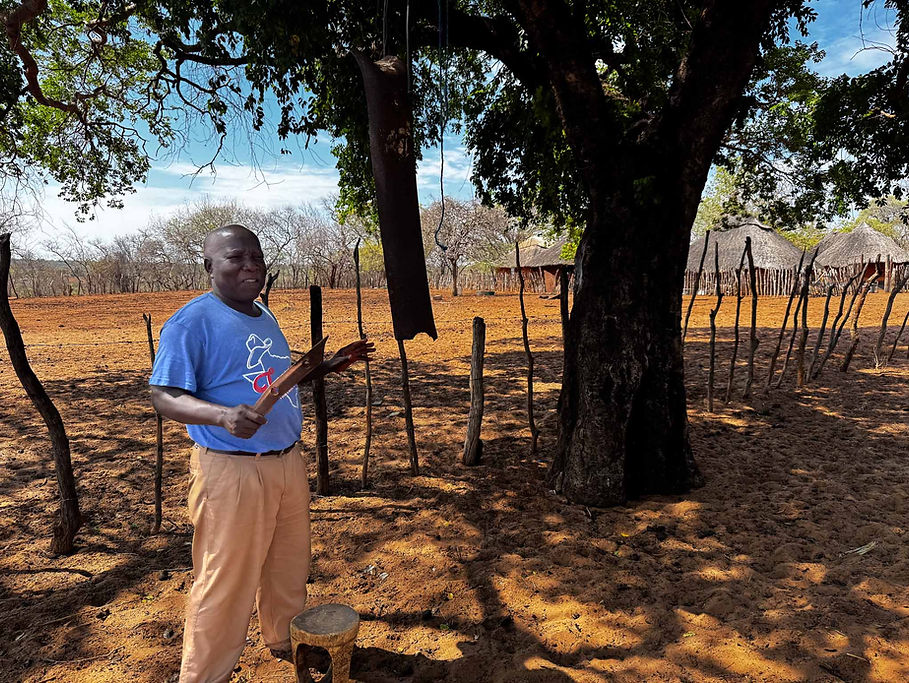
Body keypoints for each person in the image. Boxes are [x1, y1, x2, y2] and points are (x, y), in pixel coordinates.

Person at [149, 224, 372, 683]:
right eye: (236, 257)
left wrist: (327, 366)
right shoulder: (192, 323)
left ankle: (285, 640)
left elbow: (272, 384)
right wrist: (221, 416)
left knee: (288, 567)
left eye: (256, 257)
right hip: (232, 471)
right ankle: (204, 675)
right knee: (224, 582)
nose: (250, 265)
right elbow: (163, 395)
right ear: (209, 266)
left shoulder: (262, 314)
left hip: (286, 463)